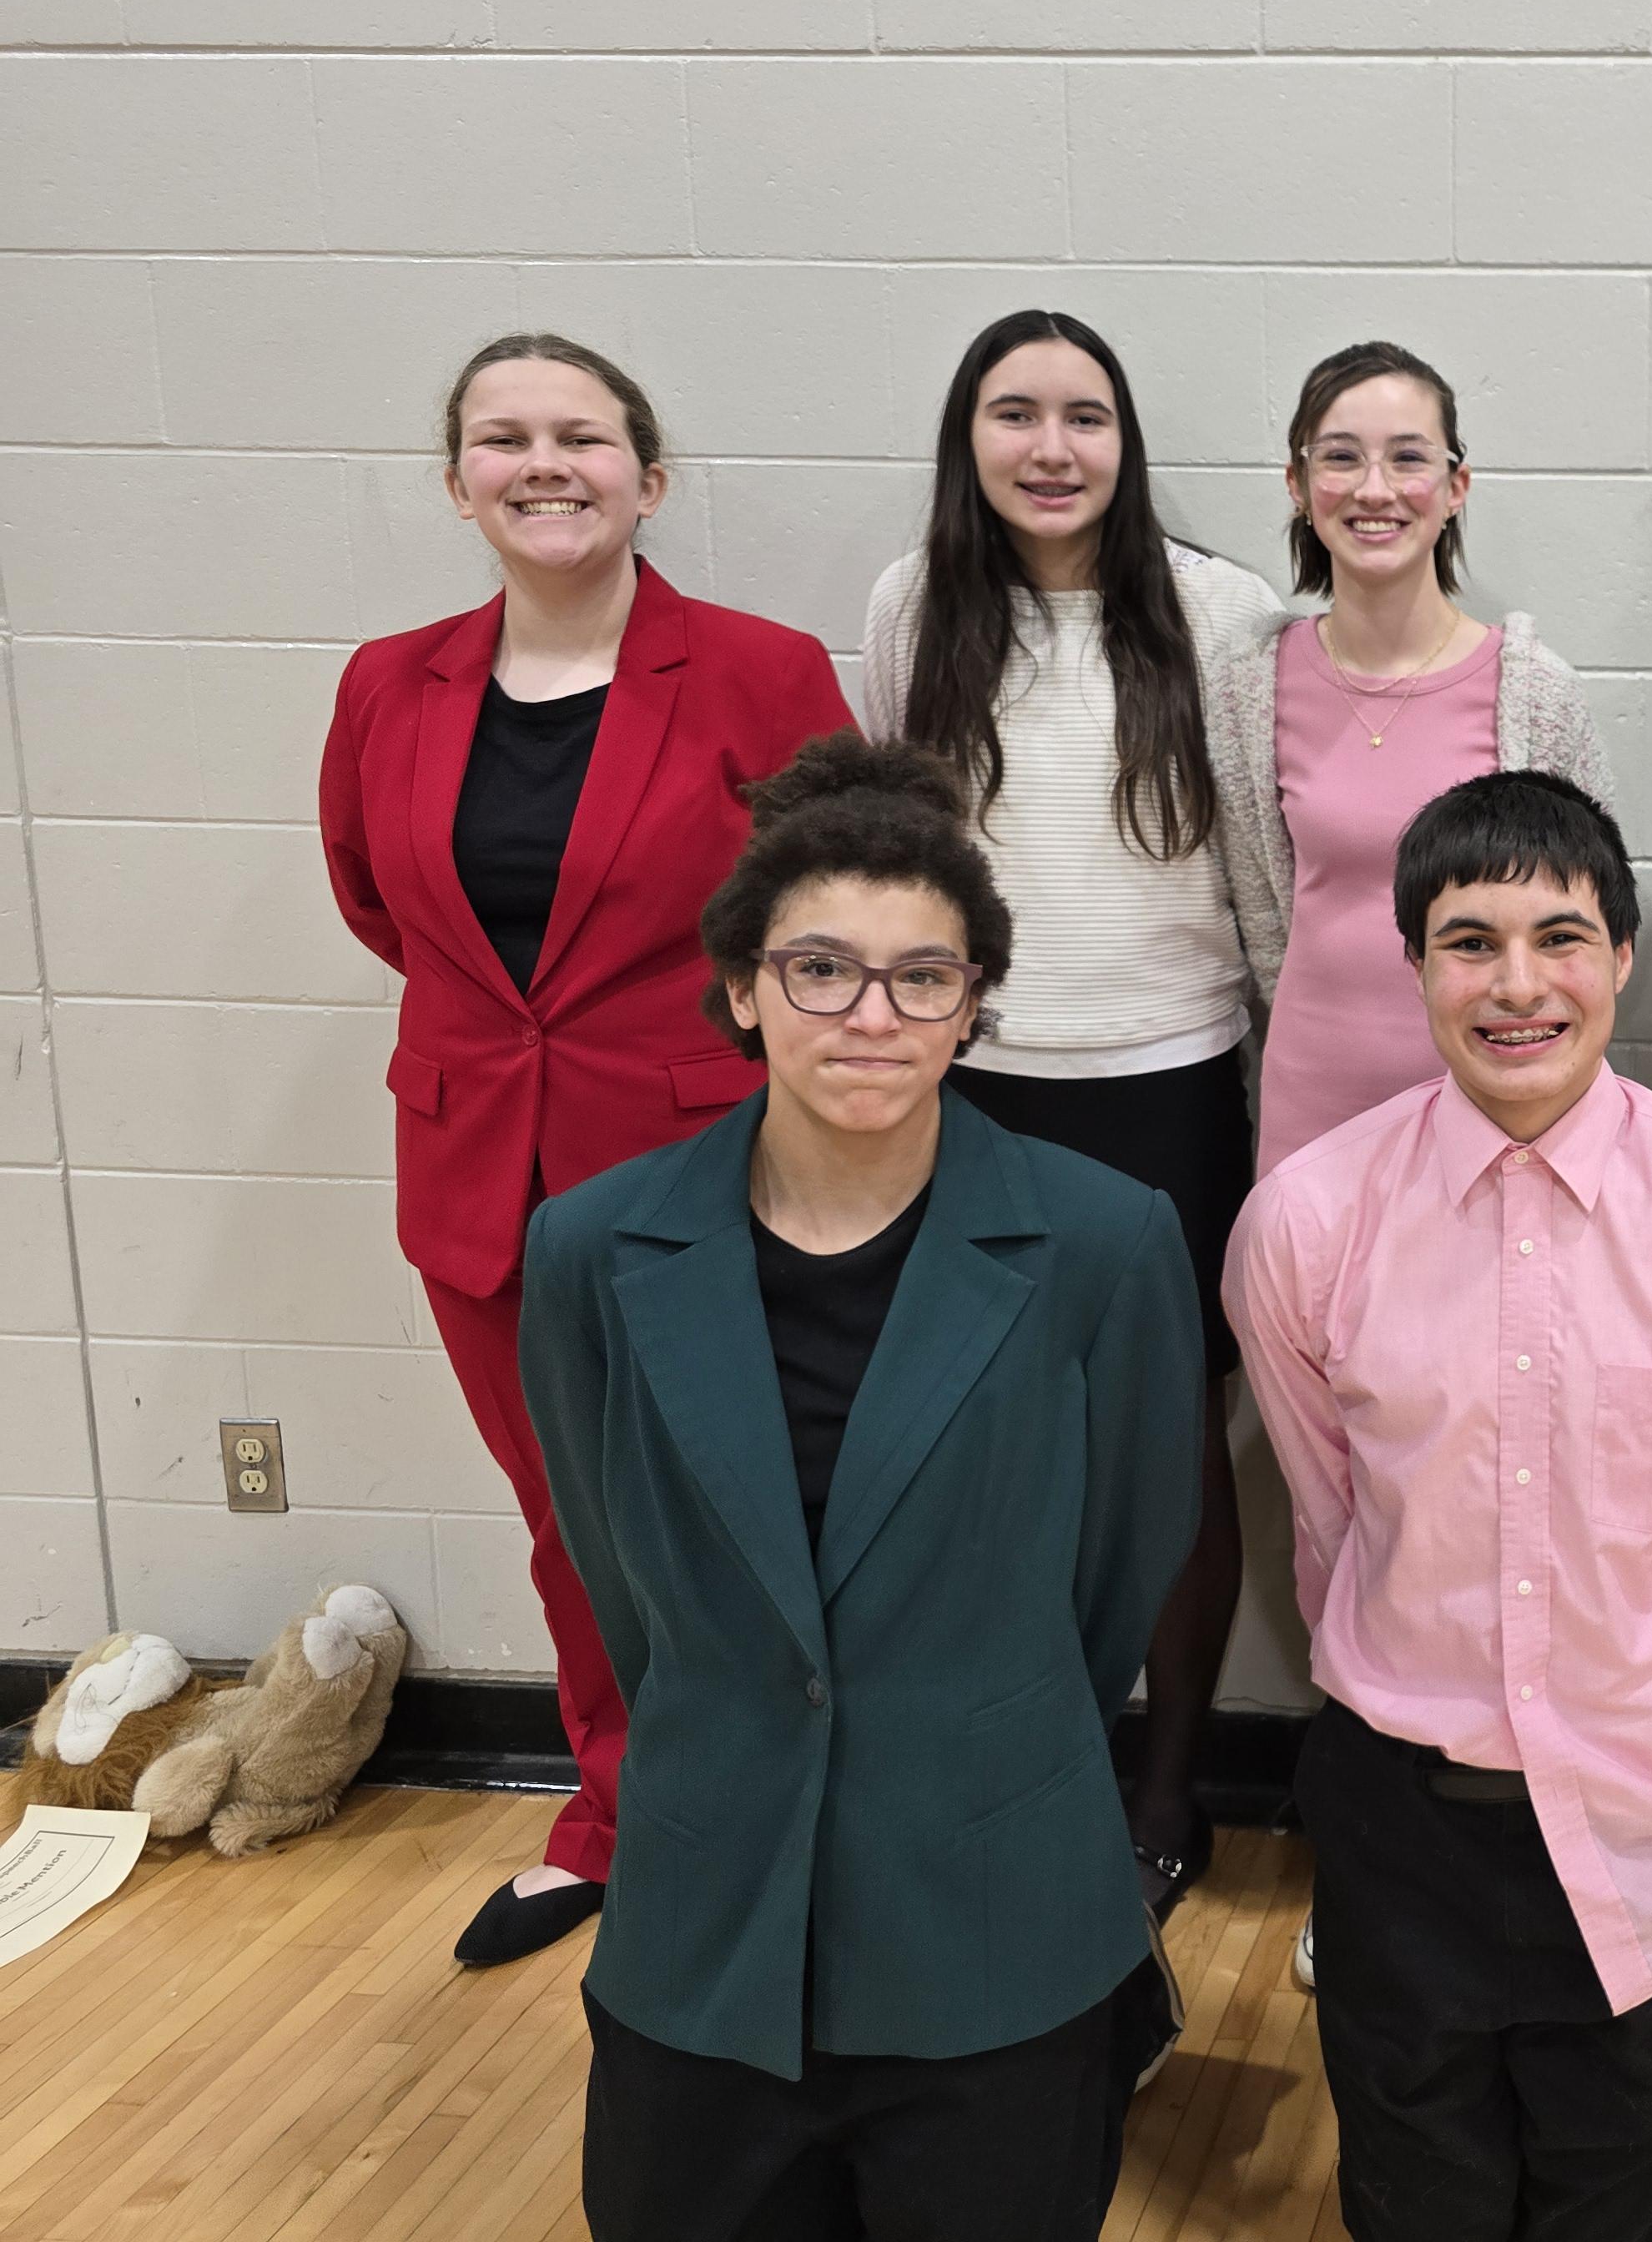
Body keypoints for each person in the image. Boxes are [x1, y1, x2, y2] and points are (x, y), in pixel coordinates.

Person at [522, 736, 1202, 2242]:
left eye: (923, 977)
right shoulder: (592, 1252)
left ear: (974, 1004)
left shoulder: (1104, 1244)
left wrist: (980, 1723)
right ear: (743, 987)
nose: (873, 1016)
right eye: (822, 969)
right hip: (707, 1922)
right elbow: (616, 1574)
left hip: (994, 1919)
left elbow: (1121, 1568)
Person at [1224, 770, 1652, 2242]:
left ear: (1622, 955)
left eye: (1561, 938)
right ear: (1414, 964)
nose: (1518, 985)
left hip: (1649, 1806)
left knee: (1620, 2195)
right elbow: (1329, 1516)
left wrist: (1644, 1683)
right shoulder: (1307, 1221)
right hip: (1400, 1820)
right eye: (1469, 942)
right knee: (1414, 2198)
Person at [318, 333, 853, 1966]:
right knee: (571, 1519)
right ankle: (618, 1814)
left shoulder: (760, 671)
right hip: (477, 1172)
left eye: (582, 435)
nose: (543, 464)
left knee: (744, 1502)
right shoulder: (387, 683)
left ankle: (796, 1811)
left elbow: (842, 908)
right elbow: (375, 901)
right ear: (457, 481)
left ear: (648, 476)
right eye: (504, 438)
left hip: (705, 1165)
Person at [863, 307, 1281, 1922]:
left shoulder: (1220, 612)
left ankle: (1170, 1791)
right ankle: (1025, 1766)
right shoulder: (915, 607)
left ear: (1127, 439)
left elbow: (1261, 865)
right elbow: (906, 852)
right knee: (990, 1456)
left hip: (1172, 1089)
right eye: (1016, 413)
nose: (1052, 448)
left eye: (1085, 416)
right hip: (976, 1092)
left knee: (1170, 1465)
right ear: (968, 437)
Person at [1204, 340, 1614, 1179]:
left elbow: (1590, 924)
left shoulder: (1534, 691)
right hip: (1312, 1104)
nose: (1374, 489)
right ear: (1297, 483)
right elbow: (1263, 923)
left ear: (1456, 487)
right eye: (1340, 458)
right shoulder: (1249, 688)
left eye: (1407, 458)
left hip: (1496, 1107)